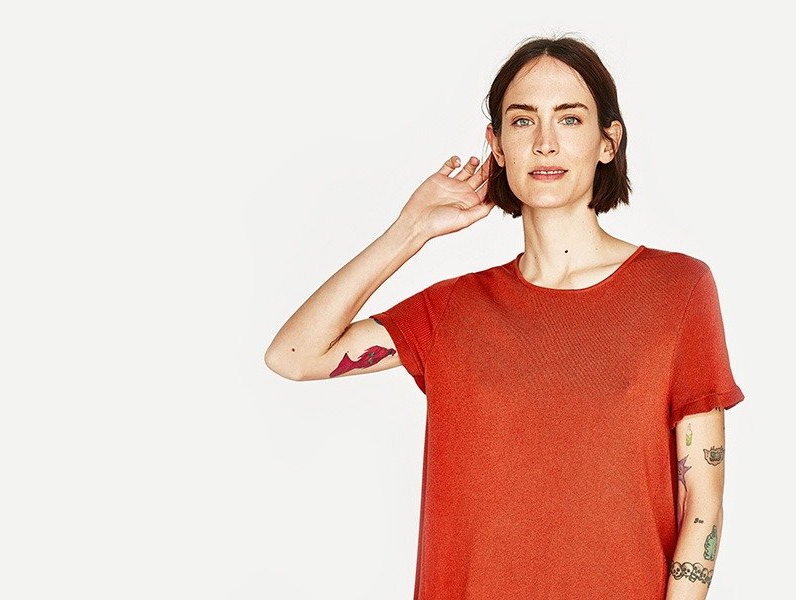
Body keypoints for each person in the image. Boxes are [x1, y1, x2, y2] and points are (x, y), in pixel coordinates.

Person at [265, 34, 744, 600]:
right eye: (522, 121)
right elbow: (293, 356)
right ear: (496, 145)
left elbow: (701, 505)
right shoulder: (452, 311)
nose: (545, 143)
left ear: (608, 142)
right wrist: (411, 230)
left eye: (570, 119)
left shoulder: (677, 291)